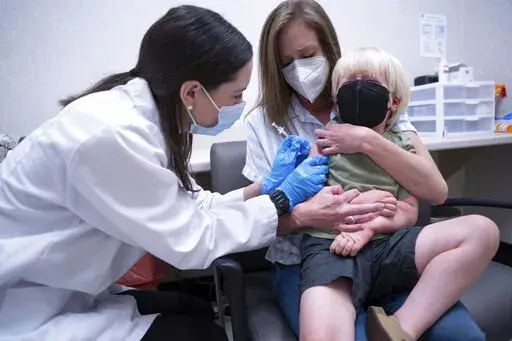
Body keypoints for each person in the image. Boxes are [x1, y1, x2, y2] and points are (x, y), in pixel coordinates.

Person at [0, 5, 384, 341]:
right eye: (235, 95)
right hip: (28, 306)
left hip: (63, 287)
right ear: (191, 93)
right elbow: (192, 241)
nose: (240, 104)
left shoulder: (145, 122)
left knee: (197, 311)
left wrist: (264, 189)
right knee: (205, 332)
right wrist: (291, 211)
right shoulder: (110, 136)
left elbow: (192, 204)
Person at [244, 1, 498, 340]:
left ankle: (400, 329)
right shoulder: (265, 122)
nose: (298, 70)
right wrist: (316, 212)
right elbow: (260, 217)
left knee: (463, 335)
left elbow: (433, 193)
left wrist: (365, 140)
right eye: (286, 62)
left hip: (388, 249)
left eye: (307, 56)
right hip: (318, 253)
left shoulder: (381, 105)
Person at [300, 47, 498, 341]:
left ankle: (401, 328)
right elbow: (307, 197)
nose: (357, 86)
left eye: (368, 80)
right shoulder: (327, 138)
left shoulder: (401, 147)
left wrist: (372, 227)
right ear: (337, 100)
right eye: (347, 81)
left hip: (389, 247)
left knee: (482, 230)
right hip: (333, 247)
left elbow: (409, 211)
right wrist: (362, 204)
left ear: (393, 102)